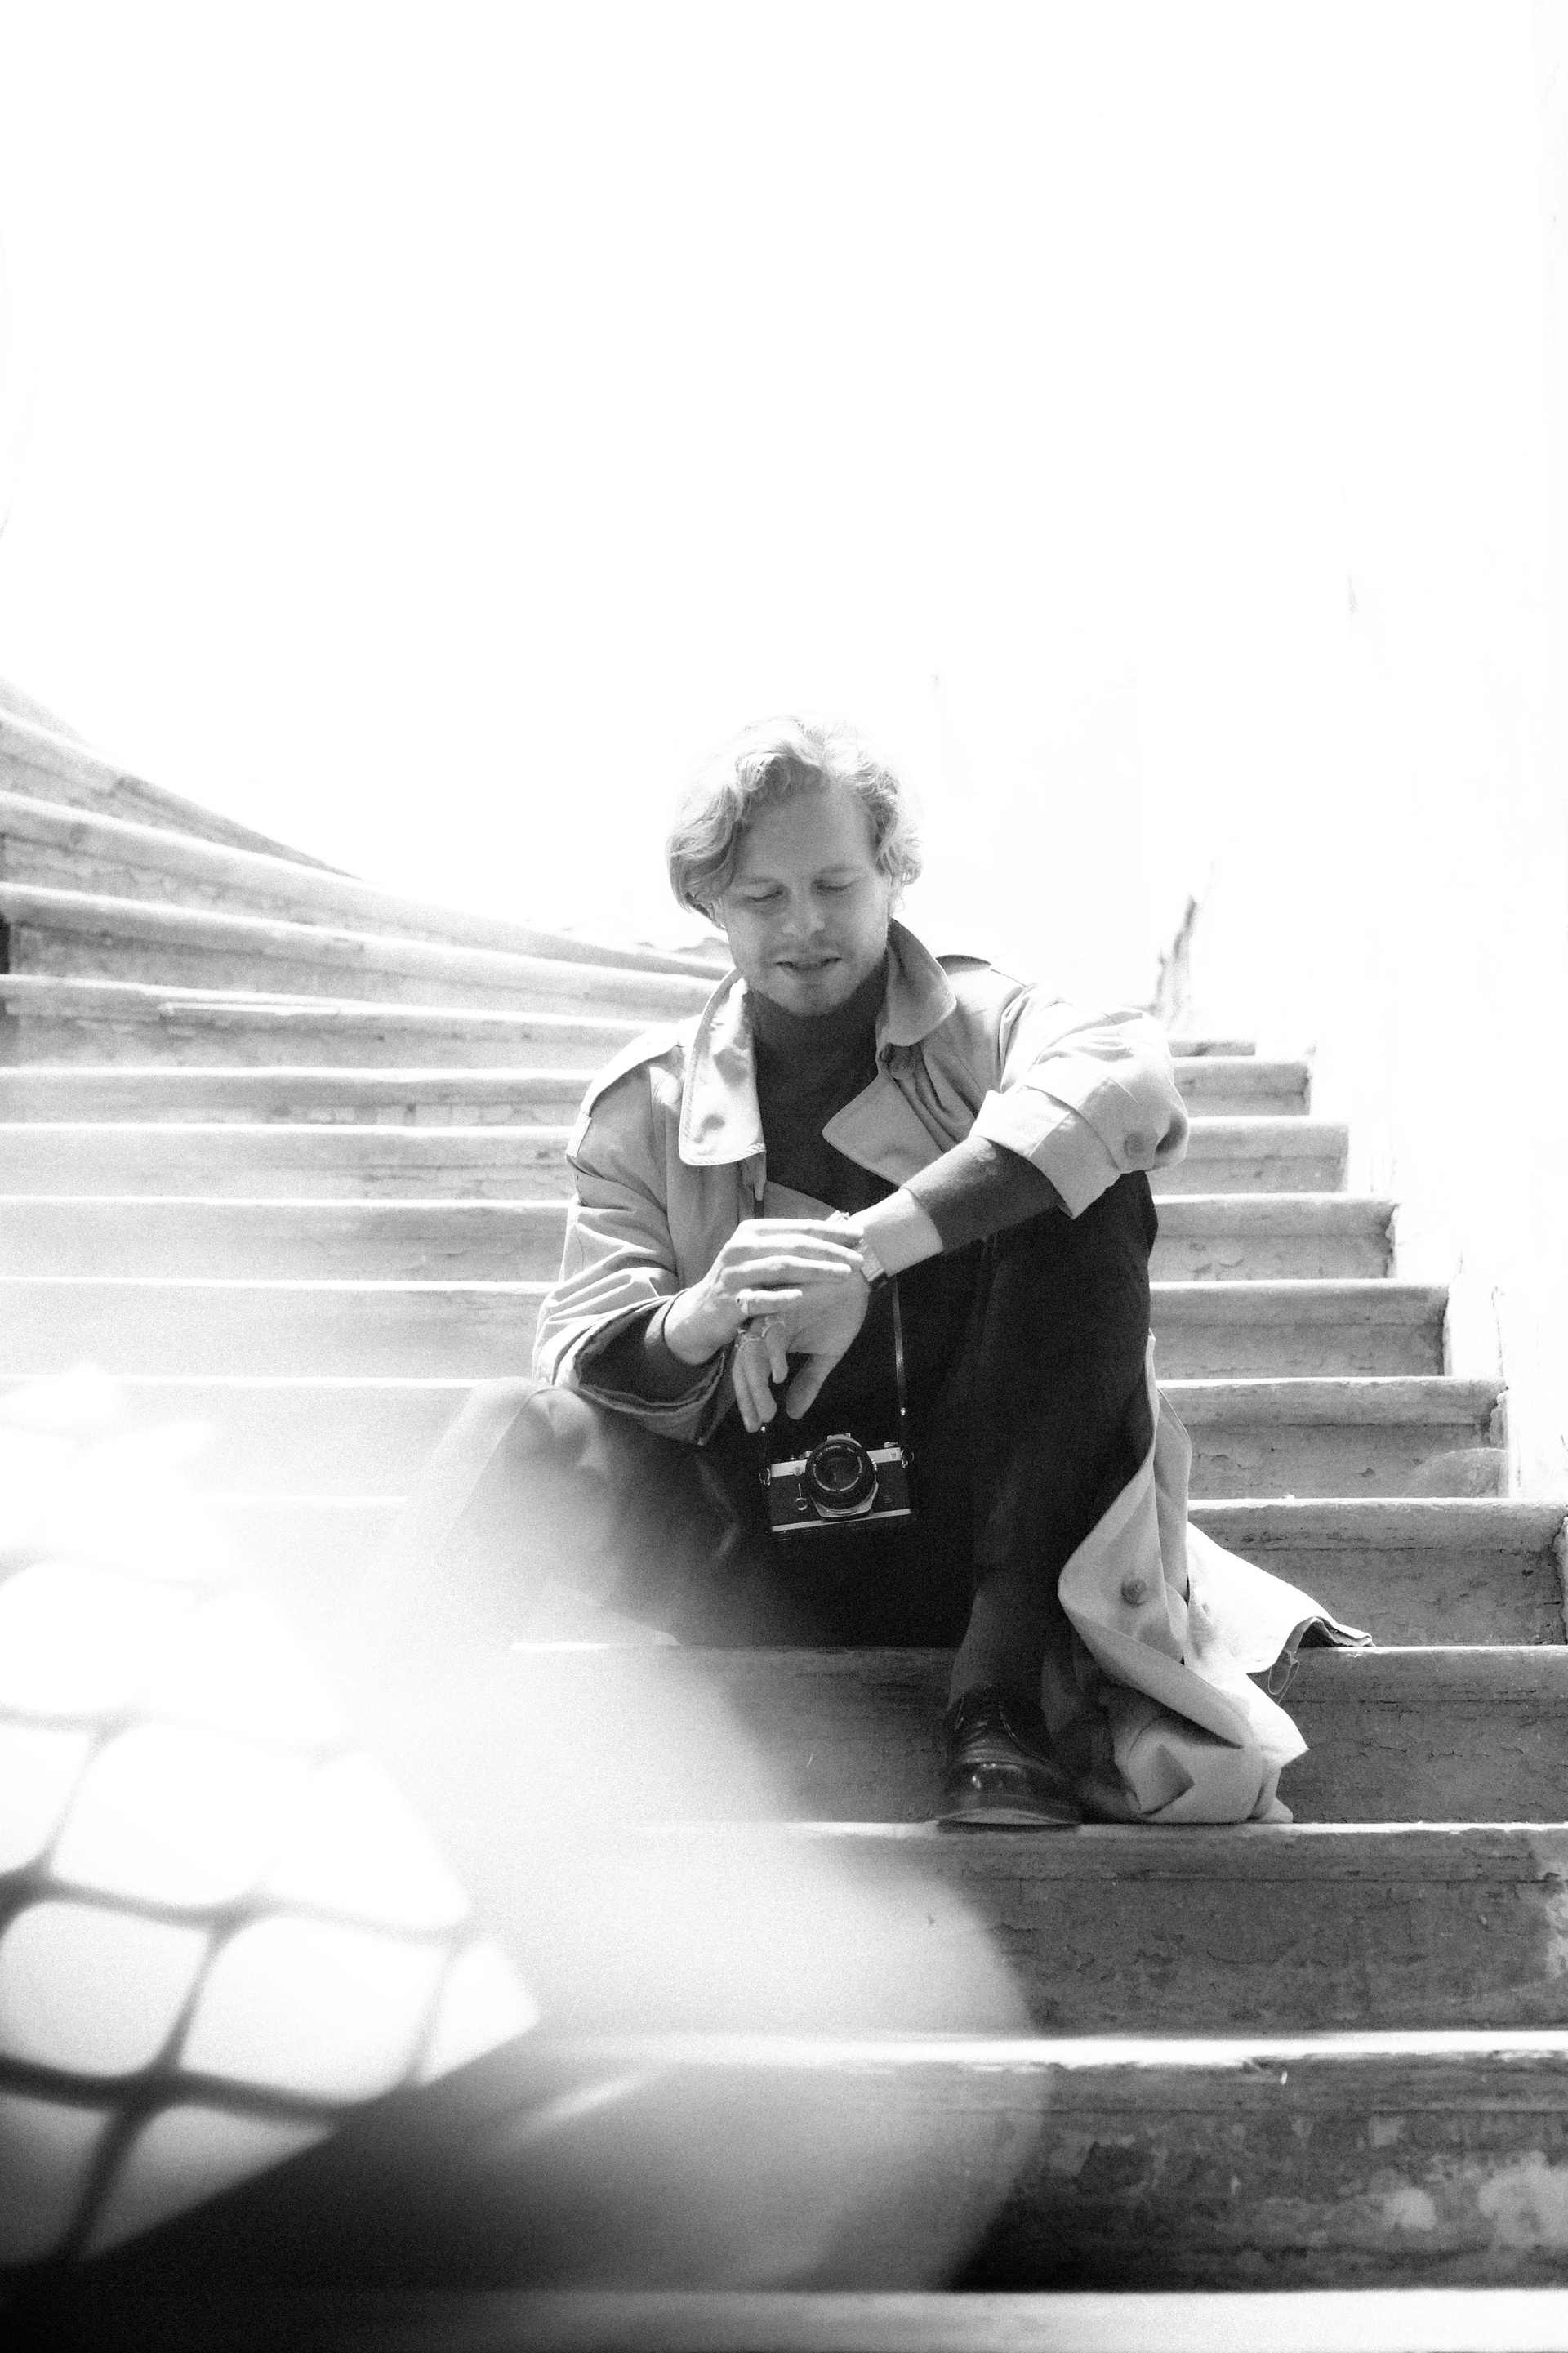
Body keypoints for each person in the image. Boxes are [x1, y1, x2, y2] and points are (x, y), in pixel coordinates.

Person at [367, 715, 1357, 1827]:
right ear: (709, 904)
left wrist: (862, 1254)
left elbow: (1125, 1089)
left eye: (836, 884)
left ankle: (996, 1714)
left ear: (892, 871)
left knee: (1086, 1192)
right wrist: (707, 1313)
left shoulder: (993, 1023)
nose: (805, 925)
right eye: (761, 896)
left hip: (983, 1544)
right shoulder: (642, 1107)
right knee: (517, 1424)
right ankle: (363, 1782)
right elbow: (583, 1348)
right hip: (751, 1554)